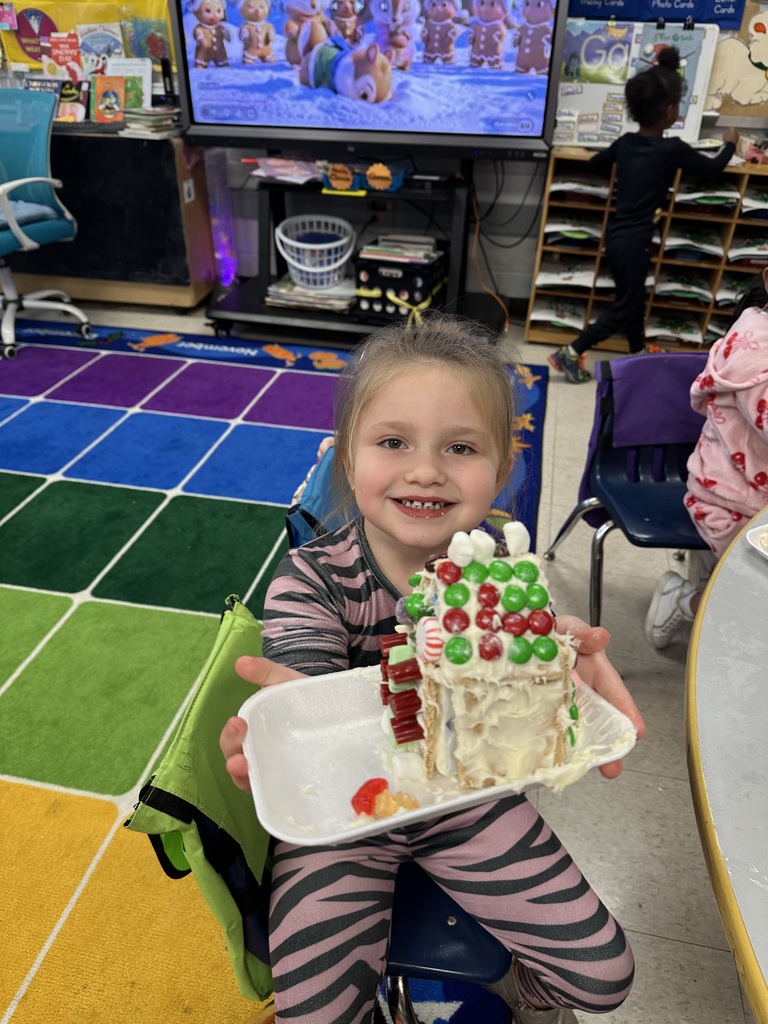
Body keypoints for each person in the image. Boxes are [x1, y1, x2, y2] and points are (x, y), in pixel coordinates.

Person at [220, 315, 646, 1024]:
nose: (425, 469)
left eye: (460, 447)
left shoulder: (500, 571)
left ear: (502, 470)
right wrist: (290, 717)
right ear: (346, 460)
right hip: (342, 814)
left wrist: (546, 660)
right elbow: (307, 692)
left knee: (602, 979)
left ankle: (525, 995)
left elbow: (524, 690)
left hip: (466, 797)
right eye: (393, 442)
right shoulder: (312, 579)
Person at [548, 46, 739, 384]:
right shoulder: (672, 150)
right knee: (626, 305)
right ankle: (572, 351)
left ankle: (636, 350)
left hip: (619, 236)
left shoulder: (625, 143)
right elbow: (712, 169)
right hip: (634, 241)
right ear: (669, 112)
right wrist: (730, 143)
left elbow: (595, 164)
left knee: (632, 299)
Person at [646, 267, 768, 648]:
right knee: (750, 603)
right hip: (729, 502)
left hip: (753, 498)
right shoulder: (756, 345)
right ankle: (686, 601)